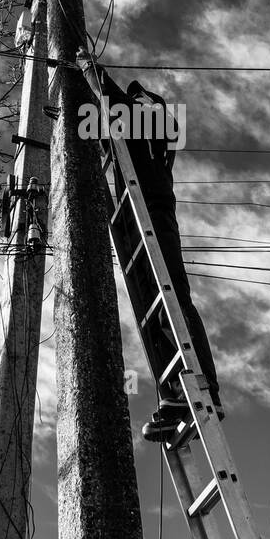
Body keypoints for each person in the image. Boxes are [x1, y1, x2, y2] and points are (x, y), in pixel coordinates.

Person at [98, 70, 223, 434]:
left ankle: (203, 387)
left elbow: (122, 107)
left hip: (154, 209)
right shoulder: (132, 132)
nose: (135, 101)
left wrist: (93, 72)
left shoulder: (158, 122)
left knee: (172, 295)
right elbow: (112, 132)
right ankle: (173, 392)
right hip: (137, 215)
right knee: (150, 306)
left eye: (140, 98)